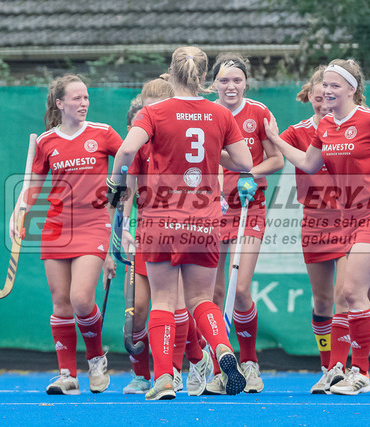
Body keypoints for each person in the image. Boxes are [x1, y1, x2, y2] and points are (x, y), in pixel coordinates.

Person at [265, 59, 370, 396]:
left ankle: (359, 373)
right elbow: (309, 163)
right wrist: (276, 140)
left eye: (334, 85)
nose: (327, 90)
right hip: (347, 221)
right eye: (324, 84)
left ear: (352, 89)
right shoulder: (325, 126)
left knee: (351, 292)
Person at [107, 46, 254, 400]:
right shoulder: (220, 114)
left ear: (172, 74)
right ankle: (222, 348)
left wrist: (115, 184)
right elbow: (245, 162)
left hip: (160, 220)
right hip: (204, 220)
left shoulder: (154, 112)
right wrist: (211, 152)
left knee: (162, 300)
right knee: (201, 299)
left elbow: (126, 150)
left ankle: (162, 379)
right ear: (203, 77)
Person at [9, 74, 122, 395]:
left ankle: (96, 360)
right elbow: (33, 185)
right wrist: (19, 210)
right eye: (77, 98)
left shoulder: (103, 133)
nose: (84, 103)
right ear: (60, 103)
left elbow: (130, 158)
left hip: (93, 223)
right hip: (56, 227)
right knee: (61, 303)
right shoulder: (47, 142)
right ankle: (67, 375)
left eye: (86, 97)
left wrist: (124, 188)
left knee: (81, 299)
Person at [120, 76, 213, 396]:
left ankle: (178, 367)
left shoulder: (180, 137)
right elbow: (127, 189)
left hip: (178, 228)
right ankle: (143, 373)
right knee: (138, 309)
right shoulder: (139, 142)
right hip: (146, 232)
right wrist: (123, 229)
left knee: (176, 305)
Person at [204, 53, 284, 395]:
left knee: (239, 289)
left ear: (246, 83)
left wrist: (250, 173)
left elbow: (277, 159)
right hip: (211, 208)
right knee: (214, 293)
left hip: (250, 206)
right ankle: (219, 367)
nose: (231, 86)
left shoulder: (259, 113)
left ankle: (250, 363)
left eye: (237, 79)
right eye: (224, 80)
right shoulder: (205, 113)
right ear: (214, 84)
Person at [270, 65, 352, 394]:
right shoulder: (297, 132)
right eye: (318, 98)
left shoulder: (352, 126)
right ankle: (326, 365)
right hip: (315, 221)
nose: (324, 103)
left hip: (349, 220)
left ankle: (340, 369)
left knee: (345, 296)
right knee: (322, 301)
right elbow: (268, 152)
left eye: (328, 97)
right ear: (310, 98)